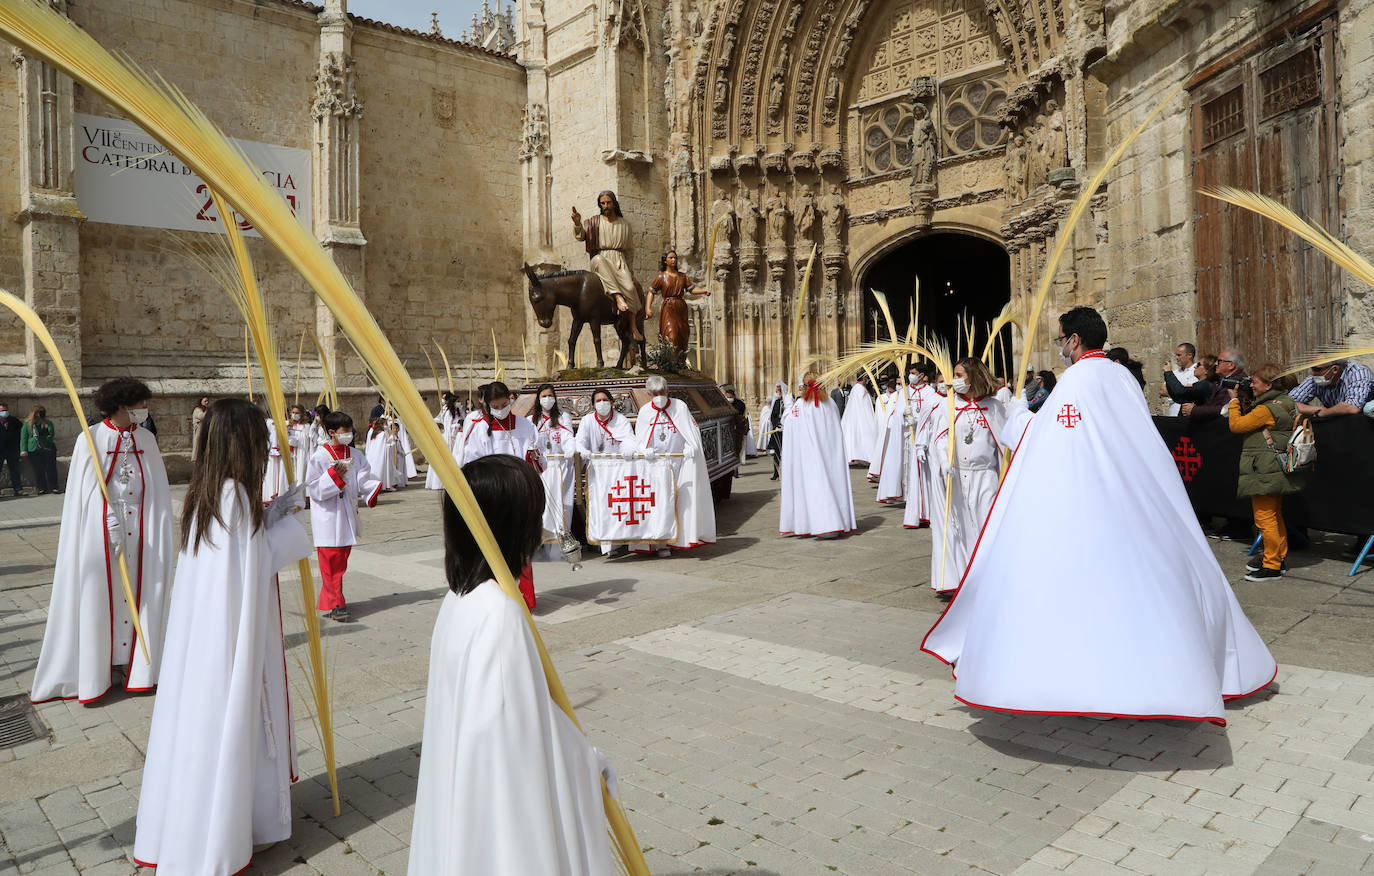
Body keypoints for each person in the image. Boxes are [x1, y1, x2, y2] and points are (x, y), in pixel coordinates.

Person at [921, 307, 1276, 724]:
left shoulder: (1076, 381)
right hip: (1131, 495)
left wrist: (1016, 414)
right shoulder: (1119, 374)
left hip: (1088, 501)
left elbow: (1043, 438)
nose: (1060, 347)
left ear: (1073, 341)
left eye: (1060, 339)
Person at [408, 455, 617, 874]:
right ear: (511, 524)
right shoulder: (499, 615)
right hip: (503, 832)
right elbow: (511, 748)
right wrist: (585, 761)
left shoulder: (461, 596)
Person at [132, 399, 311, 875]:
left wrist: (270, 516)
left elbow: (237, 565)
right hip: (230, 642)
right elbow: (250, 571)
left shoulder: (212, 493)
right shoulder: (234, 499)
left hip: (209, 642)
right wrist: (288, 527)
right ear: (243, 445)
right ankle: (223, 831)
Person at [31, 378, 176, 703]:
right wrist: (104, 515)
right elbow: (84, 493)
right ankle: (101, 665)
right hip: (102, 536)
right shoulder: (91, 438)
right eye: (140, 404)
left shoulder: (147, 439)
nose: (144, 410)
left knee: (139, 592)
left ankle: (135, 665)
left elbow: (157, 490)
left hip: (141, 533)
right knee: (102, 595)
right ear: (123, 405)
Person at [919, 358, 1008, 594]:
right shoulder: (948, 406)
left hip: (985, 476)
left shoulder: (993, 406)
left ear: (974, 376)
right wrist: (943, 461)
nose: (954, 381)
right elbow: (940, 438)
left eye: (960, 375)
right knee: (960, 528)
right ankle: (962, 578)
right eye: (954, 375)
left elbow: (1006, 443)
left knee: (984, 526)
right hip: (957, 477)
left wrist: (1018, 412)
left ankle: (987, 578)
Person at [461, 381, 540, 609]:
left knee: (523, 547)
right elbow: (473, 464)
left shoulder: (525, 425)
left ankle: (527, 598)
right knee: (495, 549)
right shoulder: (479, 429)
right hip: (494, 496)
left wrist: (534, 456)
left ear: (511, 400)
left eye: (505, 404)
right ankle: (498, 597)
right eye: (496, 406)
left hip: (521, 493)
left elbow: (537, 454)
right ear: (488, 405)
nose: (502, 409)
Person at [1228, 364, 1305, 582]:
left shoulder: (1266, 409)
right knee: (1274, 515)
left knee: (1264, 518)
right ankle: (1277, 559)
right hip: (1276, 467)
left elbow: (1237, 425)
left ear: (1268, 385)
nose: (1251, 384)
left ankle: (1271, 565)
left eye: (1255, 381)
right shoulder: (1286, 402)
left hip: (1264, 468)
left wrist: (1234, 401)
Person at [306, 410, 381, 622]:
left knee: (340, 561)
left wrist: (372, 490)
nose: (349, 434)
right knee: (331, 562)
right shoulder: (320, 457)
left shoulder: (355, 455)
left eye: (350, 430)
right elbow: (312, 488)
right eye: (344, 431)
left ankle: (328, 600)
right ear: (332, 432)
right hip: (328, 517)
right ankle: (337, 603)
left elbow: (364, 478)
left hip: (347, 514)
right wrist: (333, 476)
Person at [633, 376, 716, 556]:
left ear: (668, 390)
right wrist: (643, 450)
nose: (659, 396)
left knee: (679, 503)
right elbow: (639, 438)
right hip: (655, 466)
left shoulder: (680, 407)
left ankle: (678, 538)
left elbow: (690, 433)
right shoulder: (645, 412)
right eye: (655, 394)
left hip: (679, 463)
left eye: (662, 392)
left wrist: (689, 447)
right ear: (648, 394)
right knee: (660, 503)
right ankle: (661, 542)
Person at [779, 373, 856, 538]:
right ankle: (837, 522)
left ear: (806, 387)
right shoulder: (831, 404)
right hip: (831, 457)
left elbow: (789, 424)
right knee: (832, 485)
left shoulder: (802, 405)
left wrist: (787, 406)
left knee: (815, 488)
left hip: (812, 458)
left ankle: (824, 524)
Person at [572, 190, 644, 341]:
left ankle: (632, 325)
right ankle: (617, 296)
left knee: (630, 288)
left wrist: (630, 270)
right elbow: (581, 236)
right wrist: (578, 223)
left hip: (619, 260)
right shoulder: (594, 222)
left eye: (608, 202)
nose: (606, 206)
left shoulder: (624, 224)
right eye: (603, 203)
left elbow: (629, 250)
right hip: (602, 257)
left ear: (614, 203)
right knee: (597, 260)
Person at [575, 388, 635, 557]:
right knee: (602, 507)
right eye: (598, 401)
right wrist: (583, 451)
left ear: (611, 402)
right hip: (598, 472)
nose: (602, 404)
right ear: (593, 404)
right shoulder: (587, 421)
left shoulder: (620, 419)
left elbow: (629, 439)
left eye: (604, 400)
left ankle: (622, 540)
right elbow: (579, 442)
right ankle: (609, 545)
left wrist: (627, 448)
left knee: (619, 506)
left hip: (618, 471)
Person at [532, 384, 576, 551]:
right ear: (538, 399)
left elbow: (567, 436)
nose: (548, 399)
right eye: (544, 396)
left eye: (550, 395)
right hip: (542, 467)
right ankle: (542, 539)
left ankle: (562, 537)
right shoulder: (532, 419)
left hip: (561, 466)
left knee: (562, 502)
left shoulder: (563, 416)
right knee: (543, 503)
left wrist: (570, 447)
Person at [647, 250, 711, 355]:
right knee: (671, 335)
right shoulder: (661, 276)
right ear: (665, 261)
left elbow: (691, 290)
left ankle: (680, 363)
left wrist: (703, 291)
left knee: (683, 335)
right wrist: (648, 308)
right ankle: (670, 362)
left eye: (675, 258)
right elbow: (651, 292)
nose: (674, 260)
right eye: (671, 258)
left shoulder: (682, 276)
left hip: (681, 307)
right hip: (668, 308)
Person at [1289, 359, 1374, 419]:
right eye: (1312, 368)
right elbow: (1289, 401)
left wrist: (1324, 413)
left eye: (1317, 369)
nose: (1313, 373)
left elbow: (1352, 407)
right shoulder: (1315, 378)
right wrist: (1316, 410)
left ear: (1335, 369)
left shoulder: (1357, 372)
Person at [1190, 348, 1247, 419]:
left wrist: (1194, 410)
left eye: (1220, 361)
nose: (1216, 363)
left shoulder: (1237, 382)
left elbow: (1224, 409)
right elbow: (1211, 403)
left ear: (1231, 365)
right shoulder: (1223, 379)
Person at [425, 392, 462, 491]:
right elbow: (439, 419)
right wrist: (429, 419)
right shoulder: (445, 410)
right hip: (446, 437)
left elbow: (458, 421)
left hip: (452, 437)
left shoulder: (457, 410)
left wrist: (457, 425)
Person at [20, 406, 60, 495]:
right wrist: (23, 450)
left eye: (43, 412)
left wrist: (45, 439)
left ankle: (54, 487)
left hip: (48, 448)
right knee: (38, 469)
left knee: (51, 468)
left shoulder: (48, 423)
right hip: (34, 449)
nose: (41, 413)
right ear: (34, 413)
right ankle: (41, 488)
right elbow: (24, 438)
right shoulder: (27, 424)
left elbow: (51, 434)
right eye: (39, 412)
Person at [839, 374, 878, 465]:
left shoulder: (855, 388)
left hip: (853, 415)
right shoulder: (861, 389)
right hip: (862, 414)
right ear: (864, 379)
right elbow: (864, 404)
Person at [760, 380, 789, 480]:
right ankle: (776, 473)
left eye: (779, 391)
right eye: (777, 391)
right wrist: (777, 424)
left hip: (786, 431)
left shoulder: (788, 402)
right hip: (777, 431)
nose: (778, 393)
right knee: (776, 452)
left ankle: (786, 474)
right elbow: (773, 416)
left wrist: (785, 424)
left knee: (786, 453)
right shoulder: (776, 402)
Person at [365, 417, 404, 492]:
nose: (387, 425)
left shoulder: (375, 433)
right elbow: (383, 447)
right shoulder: (382, 434)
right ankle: (385, 485)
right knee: (385, 470)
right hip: (382, 456)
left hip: (376, 456)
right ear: (382, 425)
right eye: (386, 424)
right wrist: (392, 443)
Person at [1160, 343, 1198, 416]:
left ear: (1189, 355)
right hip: (1172, 414)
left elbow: (1188, 393)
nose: (1176, 358)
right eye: (1176, 355)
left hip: (1184, 415)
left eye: (1179, 355)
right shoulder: (1175, 372)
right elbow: (1162, 390)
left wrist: (1174, 391)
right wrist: (1179, 392)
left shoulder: (1196, 370)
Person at [0, 401, 23, 496]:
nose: (4, 412)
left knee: (14, 470)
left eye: (6, 410)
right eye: (2, 410)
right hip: (0, 450)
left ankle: (18, 489)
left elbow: (21, 434)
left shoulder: (14, 421)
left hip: (12, 450)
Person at [190, 396, 210, 462]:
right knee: (198, 443)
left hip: (203, 430)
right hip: (199, 429)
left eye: (207, 401)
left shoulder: (204, 409)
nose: (207, 402)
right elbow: (202, 416)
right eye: (205, 401)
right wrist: (208, 411)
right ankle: (196, 458)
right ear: (201, 402)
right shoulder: (197, 409)